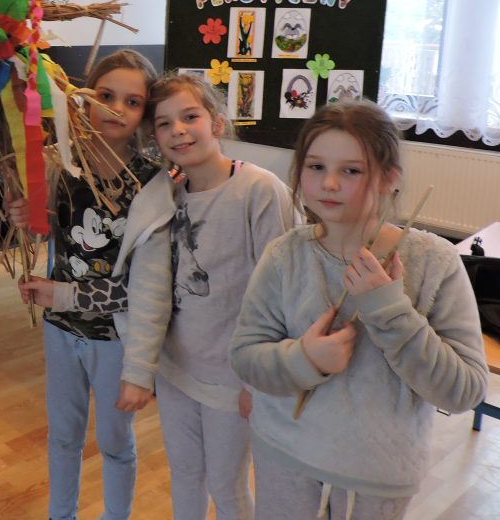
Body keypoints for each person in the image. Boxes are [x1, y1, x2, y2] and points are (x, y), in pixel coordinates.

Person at [229, 100, 488, 520]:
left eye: (351, 171)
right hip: (284, 459)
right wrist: (305, 358)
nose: (329, 183)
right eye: (315, 167)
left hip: (376, 479)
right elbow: (246, 358)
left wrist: (389, 309)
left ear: (389, 177)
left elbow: (465, 392)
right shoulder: (284, 255)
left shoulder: (433, 262)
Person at [115, 72, 297, 520]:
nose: (177, 130)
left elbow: (282, 291)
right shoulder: (165, 194)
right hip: (178, 369)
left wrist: (257, 384)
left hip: (233, 377)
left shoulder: (259, 190)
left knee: (226, 486)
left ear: (216, 122)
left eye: (189, 117)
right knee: (184, 472)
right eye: (164, 123)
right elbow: (152, 283)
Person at [14, 49, 161, 520]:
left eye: (132, 102)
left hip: (117, 338)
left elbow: (144, 287)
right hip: (61, 330)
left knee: (115, 442)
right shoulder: (62, 164)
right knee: (63, 437)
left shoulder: (152, 185)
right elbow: (50, 232)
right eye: (105, 96)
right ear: (83, 98)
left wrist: (61, 294)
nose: (116, 109)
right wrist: (28, 218)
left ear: (145, 113)